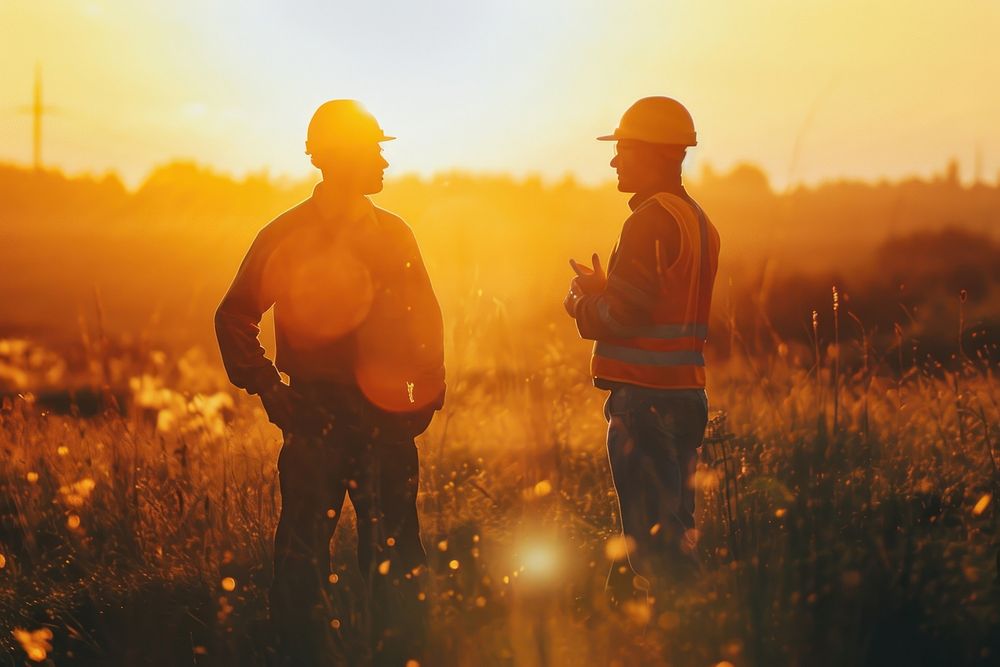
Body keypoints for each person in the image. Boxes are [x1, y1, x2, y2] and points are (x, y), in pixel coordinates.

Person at [215, 99, 445, 666]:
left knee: (396, 556)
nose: (384, 163)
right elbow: (234, 314)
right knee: (303, 560)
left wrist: (422, 397)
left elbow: (427, 322)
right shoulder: (287, 235)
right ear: (339, 159)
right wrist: (270, 388)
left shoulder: (396, 234)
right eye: (374, 151)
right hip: (315, 415)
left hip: (387, 422)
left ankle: (402, 655)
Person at [563, 96, 720, 600]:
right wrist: (612, 287)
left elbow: (624, 317)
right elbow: (660, 304)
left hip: (645, 401)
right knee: (674, 532)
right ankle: (676, 633)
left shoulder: (647, 220)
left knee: (657, 551)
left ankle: (697, 635)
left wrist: (583, 304)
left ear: (653, 153)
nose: (614, 160)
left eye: (623, 148)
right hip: (686, 397)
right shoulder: (698, 222)